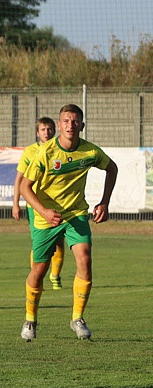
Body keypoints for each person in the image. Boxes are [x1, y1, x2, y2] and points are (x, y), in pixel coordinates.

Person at [19, 104, 117, 342]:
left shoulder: (90, 152)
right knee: (39, 270)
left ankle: (77, 319)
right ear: (59, 125)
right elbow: (24, 187)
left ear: (82, 125)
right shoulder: (46, 153)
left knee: (84, 259)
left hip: (75, 213)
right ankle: (30, 319)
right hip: (46, 217)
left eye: (75, 121)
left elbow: (112, 168)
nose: (70, 125)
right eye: (65, 121)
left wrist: (104, 202)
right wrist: (43, 211)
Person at [12, 117, 66, 290]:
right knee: (39, 243)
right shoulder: (30, 151)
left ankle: (55, 275)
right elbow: (20, 179)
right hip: (35, 205)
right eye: (43, 130)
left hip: (57, 203)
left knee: (59, 241)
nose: (47, 132)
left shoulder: (60, 149)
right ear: (37, 133)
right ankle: (36, 275)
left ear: (54, 130)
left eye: (49, 129)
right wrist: (15, 203)